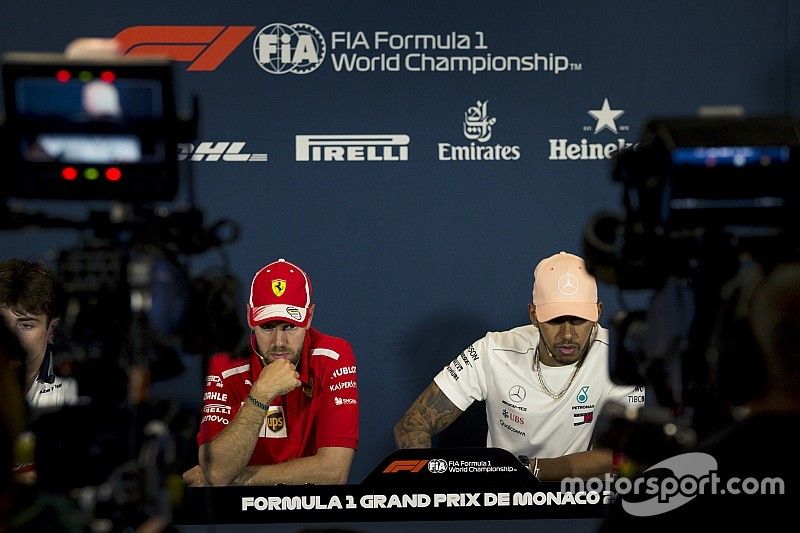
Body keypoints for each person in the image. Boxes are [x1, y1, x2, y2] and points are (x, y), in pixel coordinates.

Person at [394, 251, 644, 480]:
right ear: (533, 314)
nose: (568, 334)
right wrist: (428, 494)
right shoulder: (492, 351)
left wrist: (526, 470)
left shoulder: (618, 356)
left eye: (579, 319)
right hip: (502, 504)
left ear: (598, 312)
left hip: (578, 504)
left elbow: (627, 452)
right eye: (556, 320)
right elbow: (412, 425)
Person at [183, 258, 359, 486]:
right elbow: (217, 472)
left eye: (289, 326)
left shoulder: (333, 356)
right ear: (249, 317)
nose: (279, 342)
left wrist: (242, 478)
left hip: (310, 512)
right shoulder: (225, 365)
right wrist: (260, 395)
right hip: (241, 519)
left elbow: (334, 472)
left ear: (309, 318)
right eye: (267, 327)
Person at [0, 259, 78, 410]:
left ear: (51, 330)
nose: (10, 337)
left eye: (25, 325)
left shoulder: (72, 394)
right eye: (1, 324)